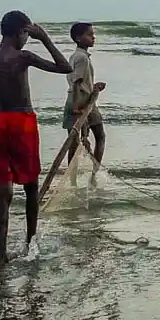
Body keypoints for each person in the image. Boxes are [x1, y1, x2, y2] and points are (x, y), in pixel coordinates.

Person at [0, 10, 72, 261]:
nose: (26, 40)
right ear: (21, 32)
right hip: (22, 122)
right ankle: (31, 244)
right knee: (31, 187)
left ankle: (1, 253)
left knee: (3, 192)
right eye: (27, 35)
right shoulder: (23, 57)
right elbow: (65, 67)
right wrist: (45, 39)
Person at [42, 22, 107, 193]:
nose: (93, 37)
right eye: (89, 34)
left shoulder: (79, 56)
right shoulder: (81, 58)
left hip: (86, 99)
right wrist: (78, 107)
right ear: (78, 38)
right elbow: (77, 83)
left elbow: (81, 82)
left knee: (85, 139)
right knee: (80, 140)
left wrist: (94, 87)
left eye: (93, 34)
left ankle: (83, 177)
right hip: (79, 101)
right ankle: (81, 178)